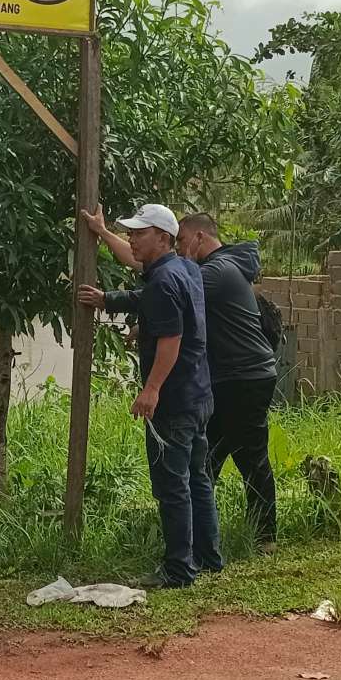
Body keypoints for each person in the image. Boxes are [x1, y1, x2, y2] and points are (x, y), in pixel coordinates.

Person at [84, 208, 279, 551]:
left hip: (244, 377)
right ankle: (205, 546)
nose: (179, 246)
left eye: (182, 240)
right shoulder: (195, 267)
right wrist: (101, 232)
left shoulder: (214, 271)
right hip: (220, 380)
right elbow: (144, 264)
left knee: (249, 456)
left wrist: (110, 300)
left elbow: (164, 296)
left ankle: (262, 538)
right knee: (203, 467)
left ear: (199, 238)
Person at [76, 203, 221, 588]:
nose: (132, 239)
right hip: (199, 394)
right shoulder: (185, 268)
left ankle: (178, 569)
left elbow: (170, 342)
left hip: (173, 400)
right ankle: (208, 558)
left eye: (140, 233)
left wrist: (150, 390)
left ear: (163, 237)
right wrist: (102, 235)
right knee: (197, 477)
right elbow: (142, 289)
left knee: (172, 485)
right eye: (132, 233)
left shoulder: (163, 281)